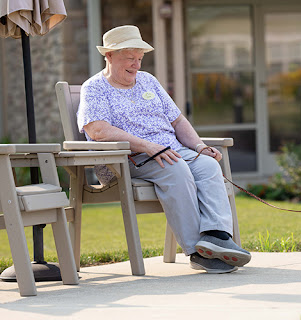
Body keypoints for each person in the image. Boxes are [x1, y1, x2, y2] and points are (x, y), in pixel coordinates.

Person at [77, 25, 251, 274]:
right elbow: (98, 130)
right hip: (127, 160)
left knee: (208, 165)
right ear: (109, 56)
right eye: (130, 58)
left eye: (139, 59)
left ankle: (216, 236)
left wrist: (199, 146)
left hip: (170, 152)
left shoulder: (148, 80)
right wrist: (147, 146)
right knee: (175, 167)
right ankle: (197, 252)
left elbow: (177, 120)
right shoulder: (94, 88)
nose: (136, 65)